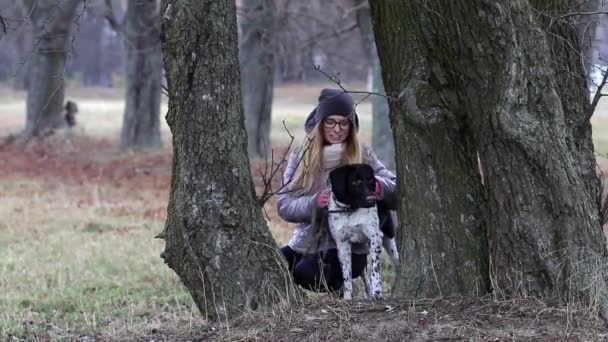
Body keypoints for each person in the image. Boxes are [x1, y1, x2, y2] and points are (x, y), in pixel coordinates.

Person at [277, 88, 397, 295]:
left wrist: (376, 186)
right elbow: (284, 205)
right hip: (307, 241)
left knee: (306, 275)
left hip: (351, 245)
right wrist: (314, 203)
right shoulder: (301, 155)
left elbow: (395, 187)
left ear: (352, 126)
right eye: (330, 121)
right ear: (319, 122)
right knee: (273, 264)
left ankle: (345, 286)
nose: (337, 129)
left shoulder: (362, 153)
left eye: (344, 123)